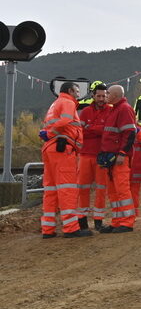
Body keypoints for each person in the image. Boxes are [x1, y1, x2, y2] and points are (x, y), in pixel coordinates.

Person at [40, 81, 91, 238]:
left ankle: (48, 229)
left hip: (50, 149)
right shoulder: (67, 102)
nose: (78, 94)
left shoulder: (54, 104)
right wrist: (51, 132)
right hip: (63, 149)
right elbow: (66, 120)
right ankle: (71, 228)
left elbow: (48, 125)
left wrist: (47, 133)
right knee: (67, 189)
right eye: (76, 91)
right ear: (69, 90)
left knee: (51, 190)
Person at [99, 84, 138, 234]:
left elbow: (130, 133)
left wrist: (122, 153)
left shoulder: (124, 109)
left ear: (115, 95)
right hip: (110, 157)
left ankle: (127, 222)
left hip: (118, 157)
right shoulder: (114, 109)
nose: (106, 95)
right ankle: (117, 221)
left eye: (108, 93)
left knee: (122, 190)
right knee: (114, 191)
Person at [78, 82, 111, 230]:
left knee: (101, 189)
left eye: (104, 96)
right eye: (99, 96)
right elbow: (81, 132)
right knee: (82, 189)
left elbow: (108, 132)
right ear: (93, 95)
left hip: (102, 156)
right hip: (85, 155)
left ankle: (98, 220)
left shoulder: (110, 110)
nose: (101, 98)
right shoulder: (85, 111)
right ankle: (82, 220)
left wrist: (91, 128)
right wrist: (99, 130)